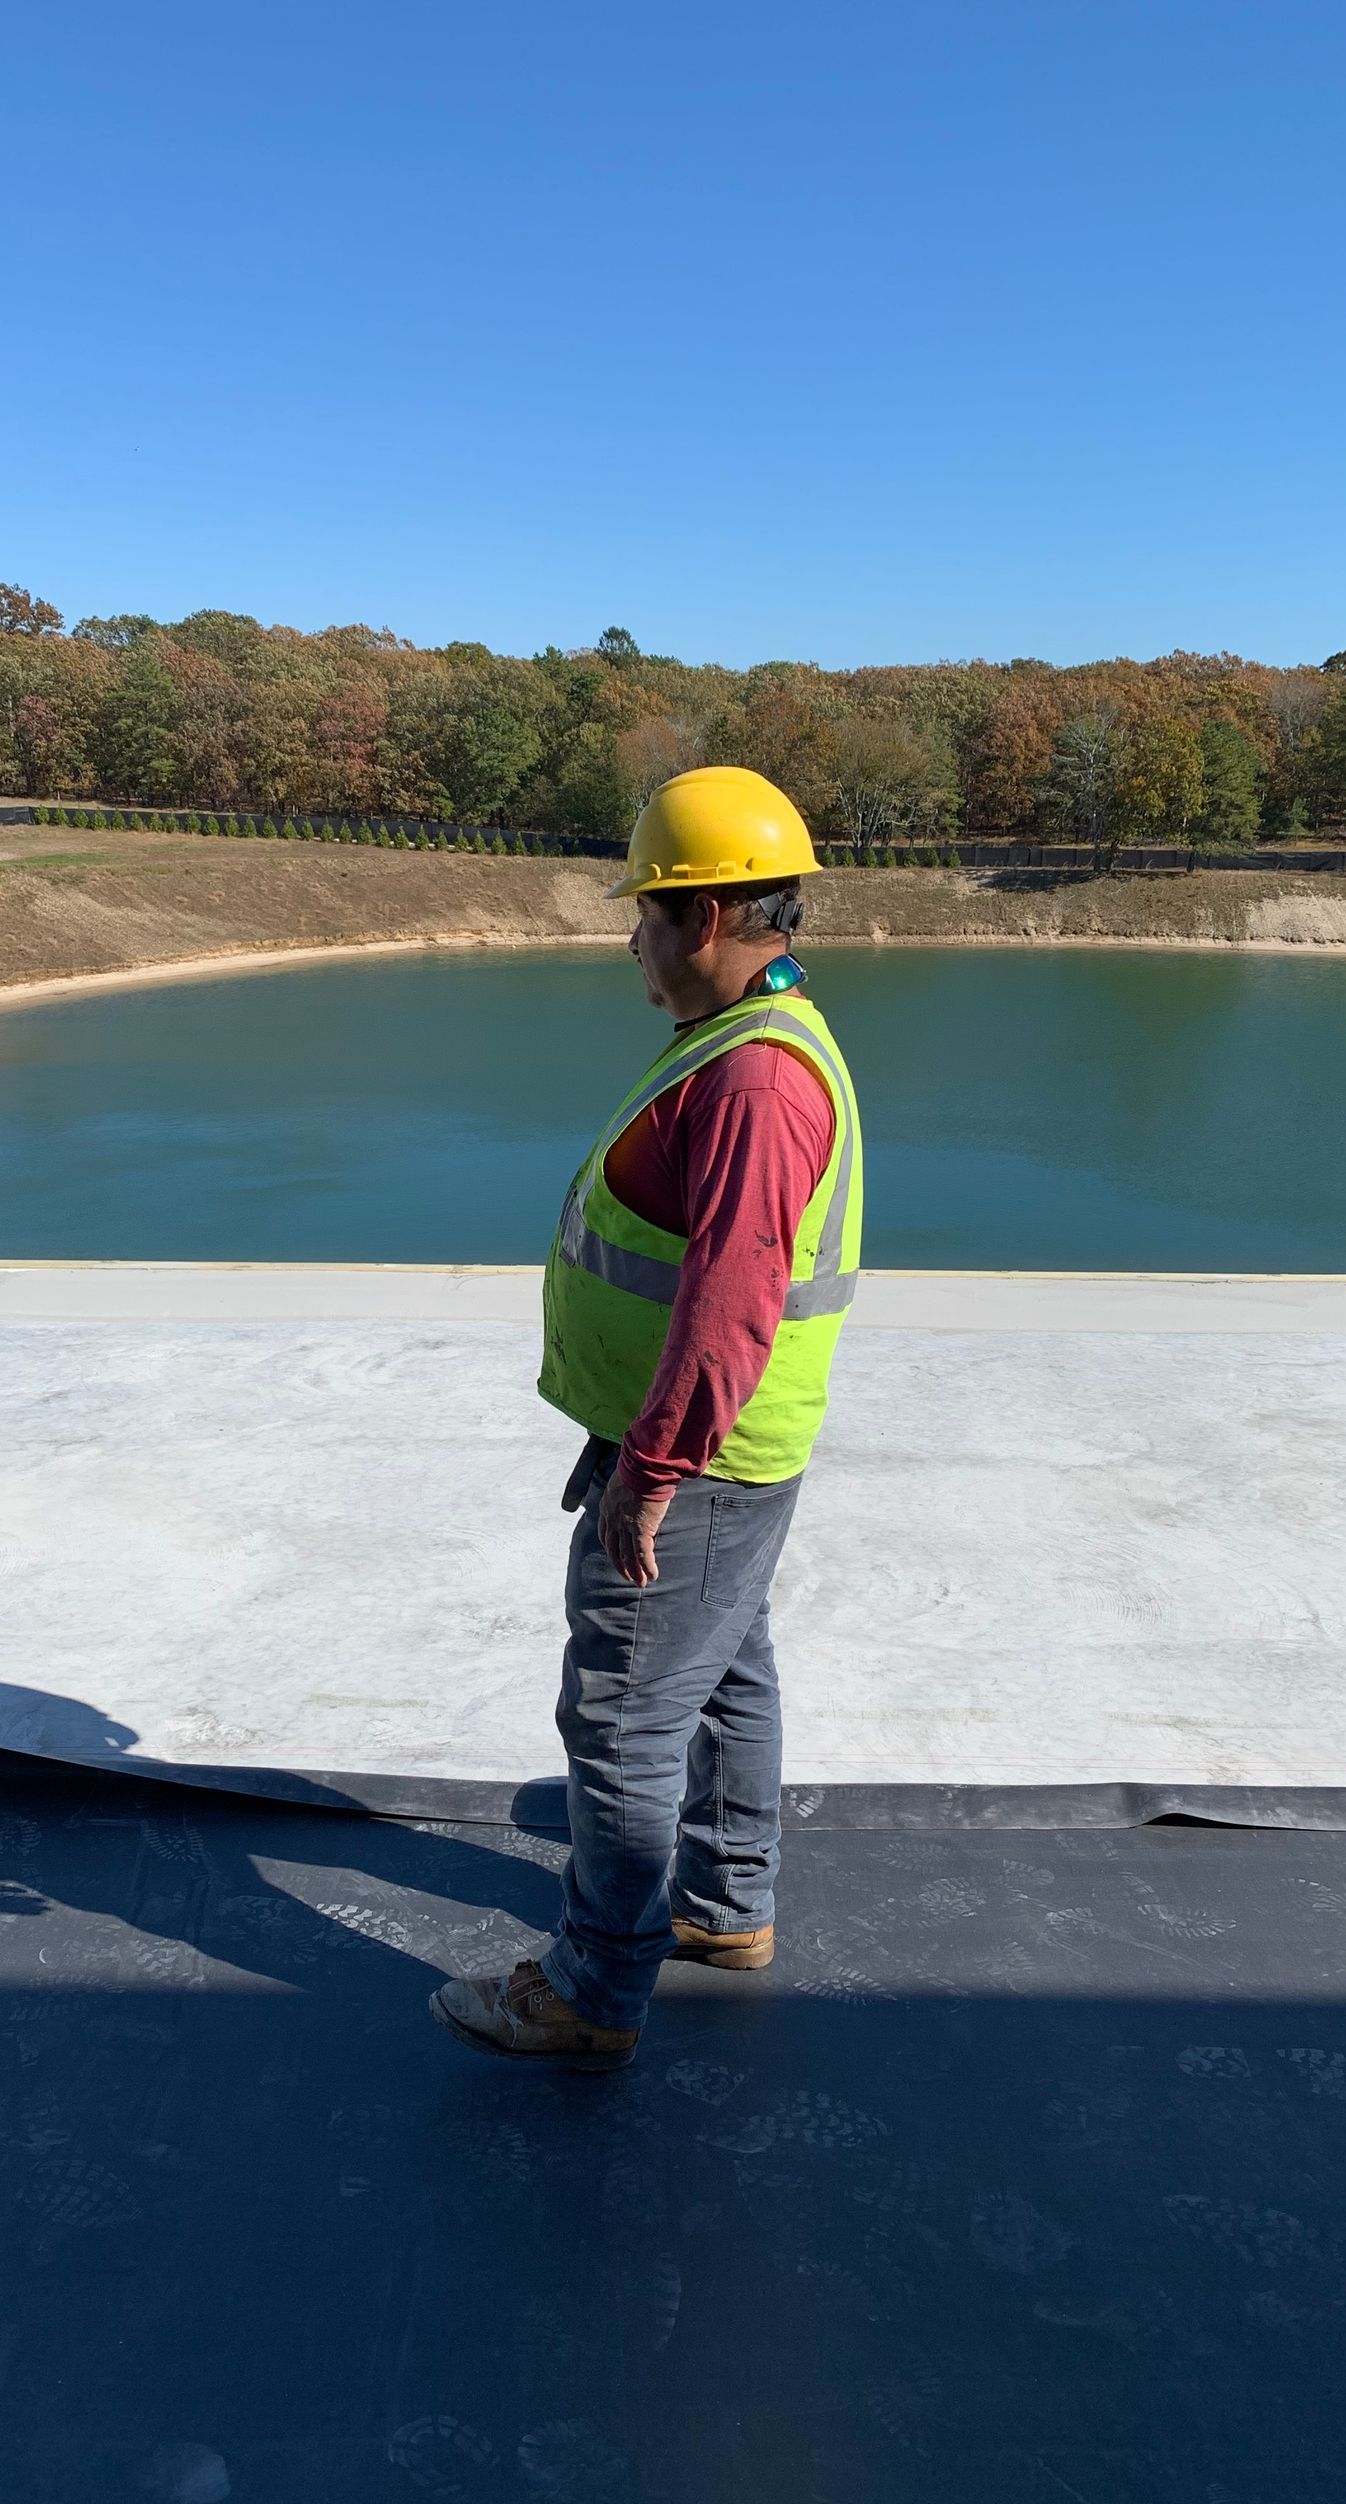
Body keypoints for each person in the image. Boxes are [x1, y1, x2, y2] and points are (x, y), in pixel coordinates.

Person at [432, 766, 864, 2072]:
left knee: (620, 1724)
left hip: (703, 1462)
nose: (631, 939)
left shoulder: (752, 1082)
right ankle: (726, 1908)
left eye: (647, 912)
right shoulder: (757, 1033)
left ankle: (589, 1992)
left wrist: (652, 1470)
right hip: (727, 1452)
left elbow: (732, 1302)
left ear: (708, 918)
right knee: (729, 1672)